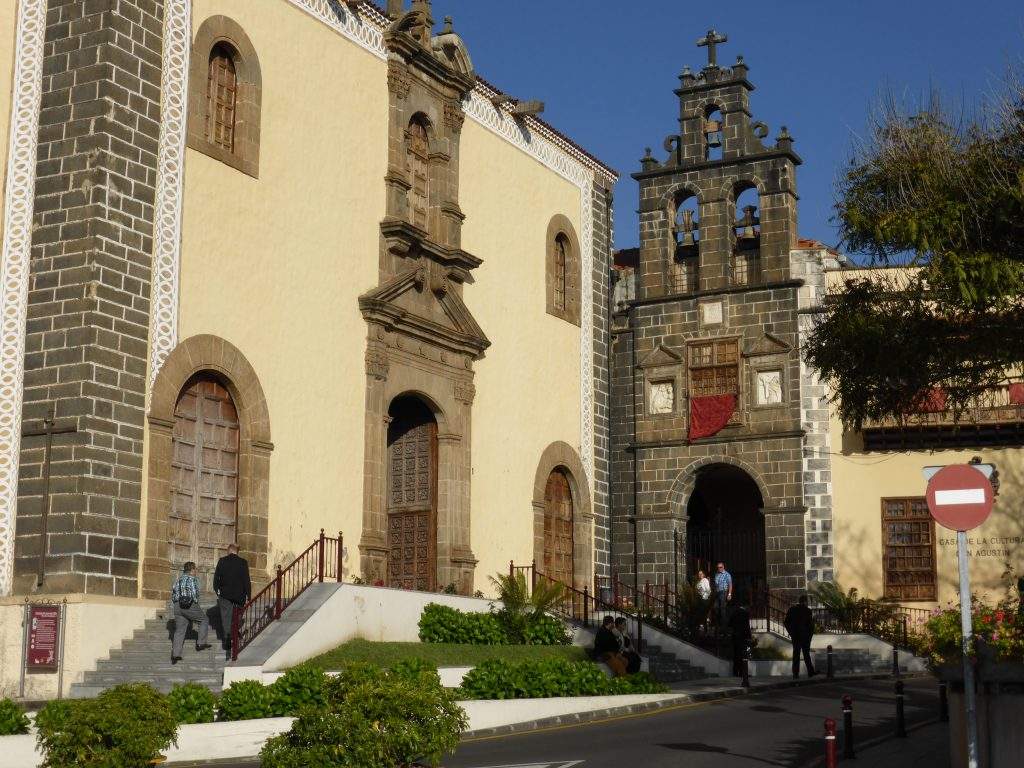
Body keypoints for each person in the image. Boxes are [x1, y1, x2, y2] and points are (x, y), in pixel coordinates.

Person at [213, 543, 252, 659]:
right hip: (239, 596)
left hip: (225, 595)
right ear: (236, 551)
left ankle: (227, 638)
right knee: (238, 617)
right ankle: (234, 634)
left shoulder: (222, 561)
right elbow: (246, 580)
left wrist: (217, 590)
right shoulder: (243, 562)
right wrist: (248, 596)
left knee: (226, 617)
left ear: (228, 551)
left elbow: (216, 579)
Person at [171, 561, 211, 664]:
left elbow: (173, 592)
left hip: (177, 606)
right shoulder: (192, 579)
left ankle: (176, 654)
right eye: (195, 569)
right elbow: (194, 593)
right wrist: (196, 604)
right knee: (204, 619)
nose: (196, 571)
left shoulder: (178, 580)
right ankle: (201, 643)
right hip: (188, 605)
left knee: (179, 630)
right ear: (192, 570)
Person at [784, 595, 817, 678]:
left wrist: (791, 632)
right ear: (805, 602)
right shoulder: (808, 611)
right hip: (805, 636)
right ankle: (810, 672)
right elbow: (810, 626)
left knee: (796, 654)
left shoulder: (792, 609)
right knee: (806, 654)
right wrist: (810, 636)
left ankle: (795, 673)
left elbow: (786, 622)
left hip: (795, 636)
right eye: (807, 602)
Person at [728, 596, 752, 677]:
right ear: (746, 606)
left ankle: (735, 672)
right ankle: (742, 672)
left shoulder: (734, 613)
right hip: (743, 636)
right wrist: (749, 637)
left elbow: (729, 624)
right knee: (743, 655)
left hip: (735, 636)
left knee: (736, 654)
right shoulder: (745, 614)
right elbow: (747, 626)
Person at [714, 561, 733, 627]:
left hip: (724, 592)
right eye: (718, 567)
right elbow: (715, 584)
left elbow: (730, 584)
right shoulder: (716, 574)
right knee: (716, 607)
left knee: (722, 608)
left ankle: (724, 625)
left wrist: (729, 594)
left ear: (723, 567)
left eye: (720, 567)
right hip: (717, 592)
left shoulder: (727, 574)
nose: (719, 568)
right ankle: (718, 623)